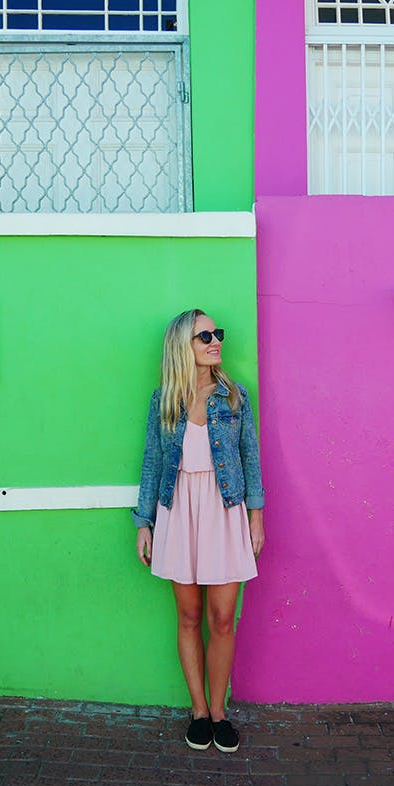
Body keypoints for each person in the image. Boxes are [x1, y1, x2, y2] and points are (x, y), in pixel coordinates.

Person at [133, 309, 265, 753]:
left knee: (222, 618)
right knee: (189, 616)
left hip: (225, 509)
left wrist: (256, 515)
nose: (215, 341)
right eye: (204, 335)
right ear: (181, 347)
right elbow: (152, 461)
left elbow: (250, 457)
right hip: (177, 510)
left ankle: (221, 711)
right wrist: (144, 522)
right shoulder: (164, 400)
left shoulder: (234, 397)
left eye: (217, 333)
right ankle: (199, 713)